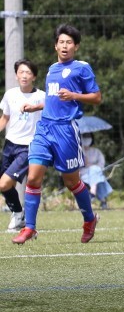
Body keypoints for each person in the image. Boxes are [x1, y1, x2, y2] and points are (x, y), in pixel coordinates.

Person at [12, 24, 102, 245]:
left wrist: (74, 95)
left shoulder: (82, 68)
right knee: (33, 177)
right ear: (55, 45)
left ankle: (89, 219)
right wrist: (36, 107)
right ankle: (29, 227)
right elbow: (53, 99)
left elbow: (97, 97)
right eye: (61, 42)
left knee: (72, 181)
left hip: (66, 131)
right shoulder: (52, 69)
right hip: (44, 129)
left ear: (76, 46)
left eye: (69, 42)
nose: (65, 45)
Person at [0, 59, 46, 232]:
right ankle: (19, 215)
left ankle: (19, 214)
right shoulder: (10, 95)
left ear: (34, 76)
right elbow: (5, 119)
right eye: (21, 72)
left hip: (28, 147)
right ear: (16, 75)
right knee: (3, 184)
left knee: (4, 184)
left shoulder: (41, 97)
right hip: (9, 145)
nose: (24, 76)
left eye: (28, 73)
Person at [79, 133, 113, 209]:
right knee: (98, 177)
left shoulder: (97, 152)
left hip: (96, 172)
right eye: (84, 137)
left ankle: (92, 193)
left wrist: (91, 165)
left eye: (88, 137)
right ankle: (102, 200)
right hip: (84, 174)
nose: (86, 139)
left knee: (95, 170)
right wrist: (83, 162)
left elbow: (101, 164)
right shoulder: (79, 152)